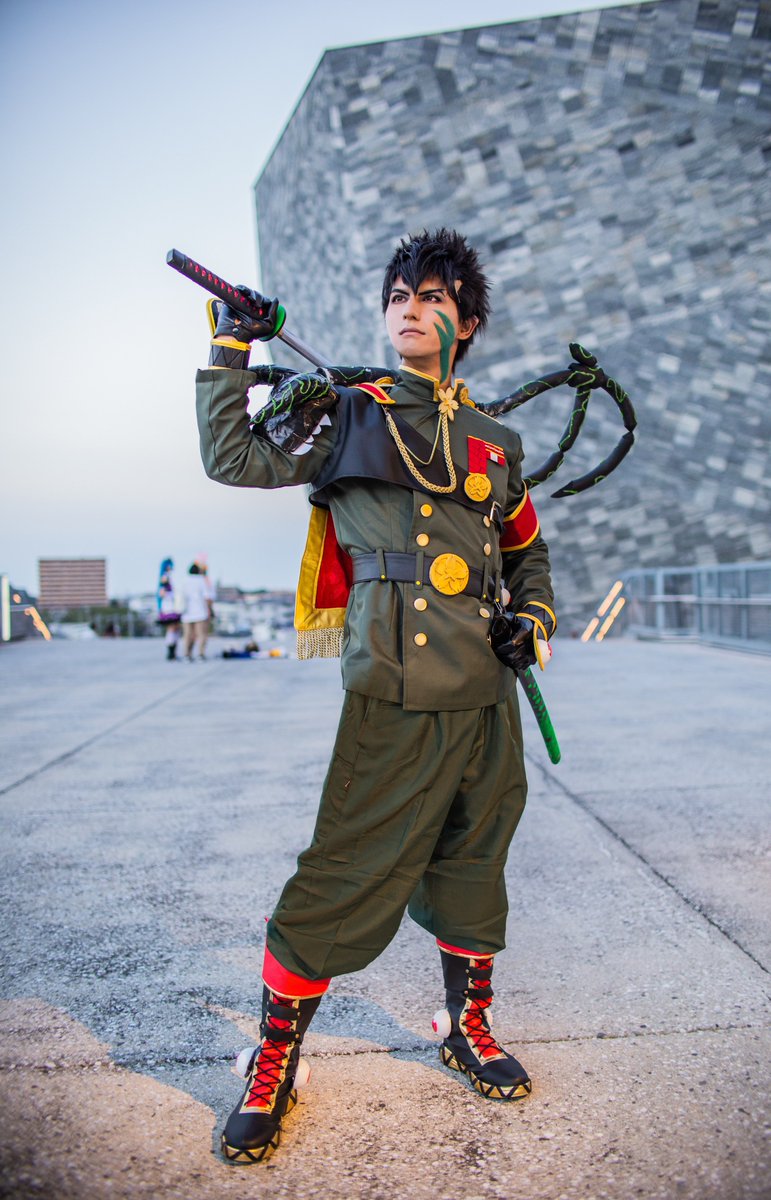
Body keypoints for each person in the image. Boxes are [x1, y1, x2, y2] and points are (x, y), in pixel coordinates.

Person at [195, 228, 556, 1164]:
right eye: (399, 294)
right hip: (392, 685)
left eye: (432, 296)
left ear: (464, 323)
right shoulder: (347, 412)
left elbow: (525, 553)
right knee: (342, 872)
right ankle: (274, 1062)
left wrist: (532, 618)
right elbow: (232, 457)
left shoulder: (495, 444)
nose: (410, 307)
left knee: (475, 857)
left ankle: (465, 1028)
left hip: (486, 692)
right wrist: (232, 344)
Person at [180, 560, 214, 660]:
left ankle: (187, 654)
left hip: (186, 613)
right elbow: (207, 597)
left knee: (187, 635)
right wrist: (210, 609)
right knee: (201, 635)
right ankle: (201, 654)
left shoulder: (184, 581)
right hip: (200, 612)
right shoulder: (201, 580)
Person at [156, 557, 181, 659]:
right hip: (169, 608)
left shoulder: (168, 577)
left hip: (171, 607)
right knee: (172, 629)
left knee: (174, 629)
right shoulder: (165, 577)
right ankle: (171, 652)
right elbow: (161, 593)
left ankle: (173, 651)